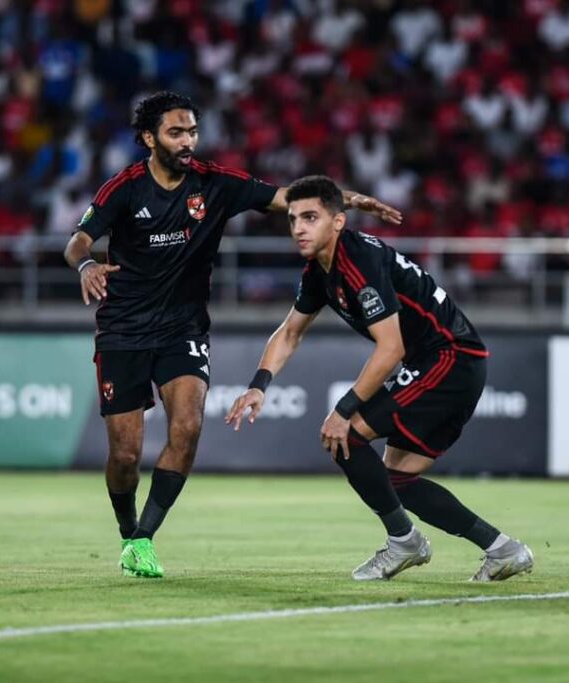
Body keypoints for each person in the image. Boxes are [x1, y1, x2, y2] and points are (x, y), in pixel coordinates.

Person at [63, 92, 401, 578]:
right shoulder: (125, 188)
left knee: (188, 427)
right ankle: (126, 528)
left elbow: (286, 197)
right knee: (125, 454)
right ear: (149, 138)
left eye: (192, 132)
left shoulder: (214, 183)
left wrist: (344, 199)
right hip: (123, 330)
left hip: (183, 329)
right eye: (176, 133)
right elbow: (76, 241)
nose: (187, 141)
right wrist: (89, 264)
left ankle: (143, 539)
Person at [226, 175, 533, 582]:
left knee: (345, 435)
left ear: (337, 222)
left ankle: (405, 543)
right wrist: (258, 385)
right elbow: (289, 332)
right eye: (294, 218)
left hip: (449, 358)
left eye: (311, 217)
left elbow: (391, 349)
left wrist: (344, 409)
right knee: (397, 481)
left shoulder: (357, 263)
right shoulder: (320, 269)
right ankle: (503, 550)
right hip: (444, 360)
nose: (299, 227)